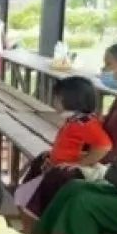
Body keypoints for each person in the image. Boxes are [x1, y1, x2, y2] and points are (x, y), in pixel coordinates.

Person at [14, 76, 112, 217]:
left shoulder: (86, 123)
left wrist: (80, 164)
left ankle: (36, 219)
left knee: (41, 195)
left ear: (72, 100)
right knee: (36, 166)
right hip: (54, 164)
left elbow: (104, 146)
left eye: (57, 99)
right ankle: (26, 211)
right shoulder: (72, 121)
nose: (54, 102)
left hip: (63, 173)